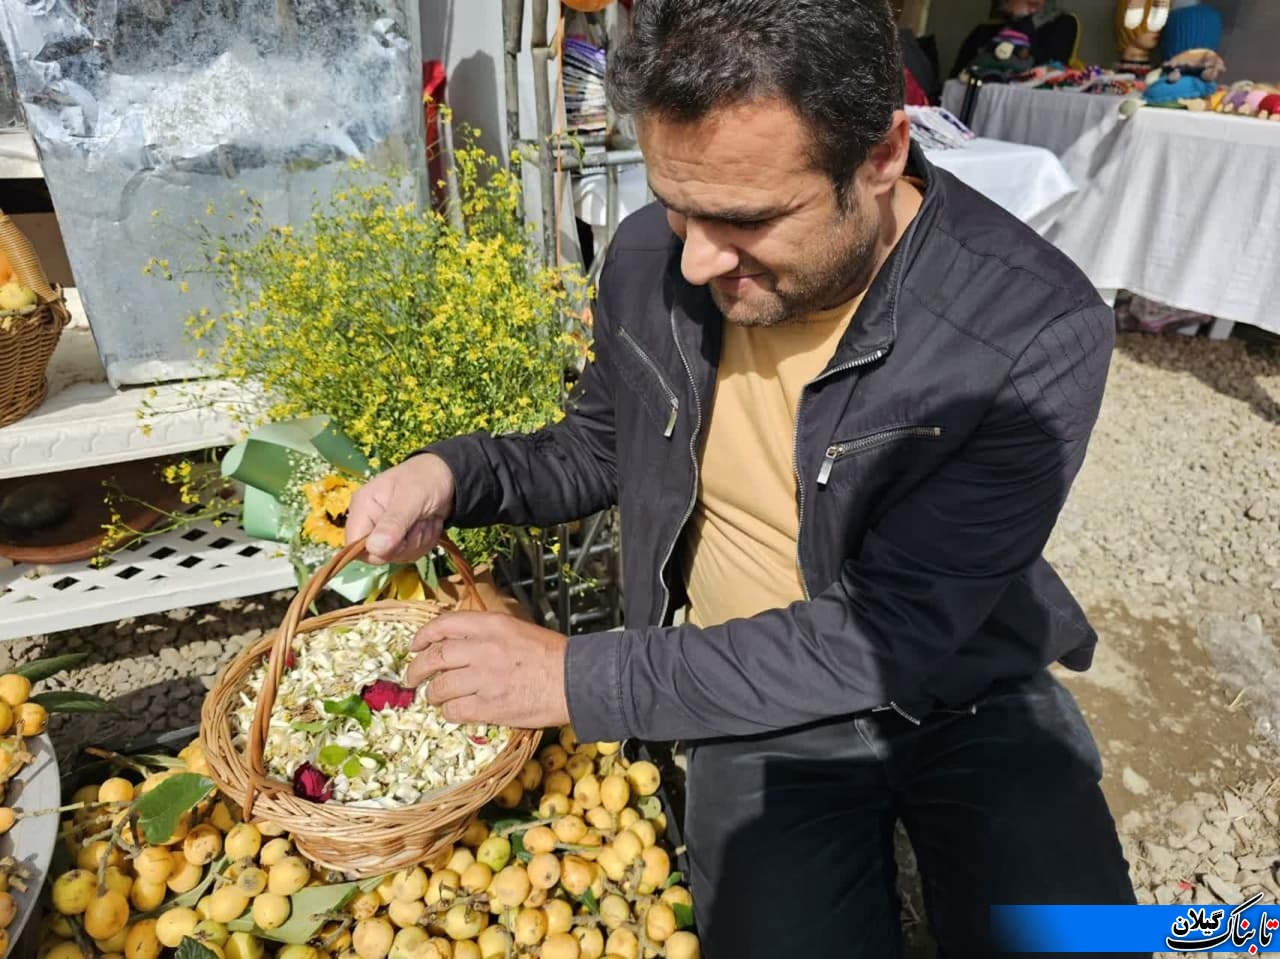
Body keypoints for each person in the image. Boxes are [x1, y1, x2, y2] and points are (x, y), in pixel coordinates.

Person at [346, 0, 1141, 955]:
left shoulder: (1030, 328)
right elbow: (601, 447)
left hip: (960, 681)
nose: (695, 256)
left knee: (1087, 938)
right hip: (741, 687)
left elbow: (882, 635)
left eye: (746, 218)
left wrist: (578, 675)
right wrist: (451, 473)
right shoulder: (652, 259)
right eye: (675, 204)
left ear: (883, 154)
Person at [951, 0, 1082, 78]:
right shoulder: (985, 29)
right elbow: (957, 79)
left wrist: (1024, 21)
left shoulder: (1062, 23)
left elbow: (1047, 70)